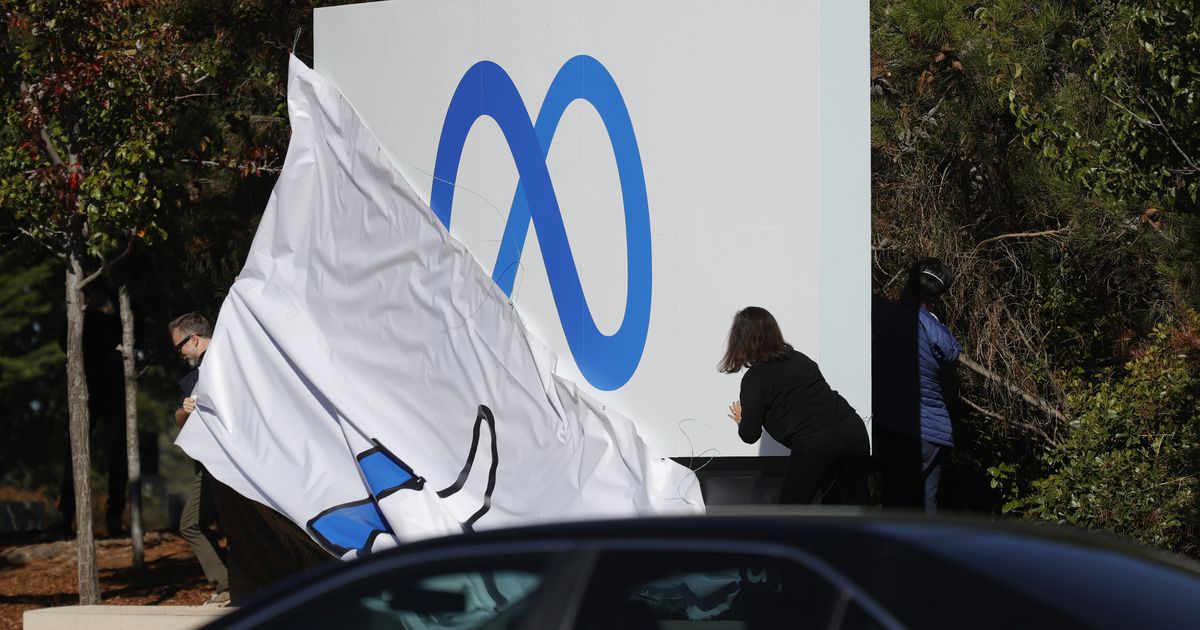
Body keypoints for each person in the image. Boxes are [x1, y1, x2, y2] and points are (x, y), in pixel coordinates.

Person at [719, 306, 869, 504]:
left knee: (790, 510)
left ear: (742, 339)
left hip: (815, 443)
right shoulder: (800, 359)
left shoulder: (754, 379)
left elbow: (750, 435)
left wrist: (742, 420)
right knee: (851, 508)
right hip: (852, 430)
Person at [872, 258, 962, 513]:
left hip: (906, 430)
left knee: (898, 508)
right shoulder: (938, 330)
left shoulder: (895, 316)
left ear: (910, 283)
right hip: (937, 432)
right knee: (926, 507)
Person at [169, 312, 230, 606]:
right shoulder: (196, 376)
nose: (179, 354)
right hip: (212, 463)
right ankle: (228, 584)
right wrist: (185, 410)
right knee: (192, 523)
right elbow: (180, 419)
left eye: (179, 347)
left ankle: (232, 585)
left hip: (233, 460)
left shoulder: (227, 357)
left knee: (196, 523)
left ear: (193, 339)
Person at [58, 287, 127, 537]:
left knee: (117, 454)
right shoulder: (83, 310)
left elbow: (134, 340)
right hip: (86, 389)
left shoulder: (121, 308)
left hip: (115, 391)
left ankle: (115, 514)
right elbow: (63, 340)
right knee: (76, 449)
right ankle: (67, 513)